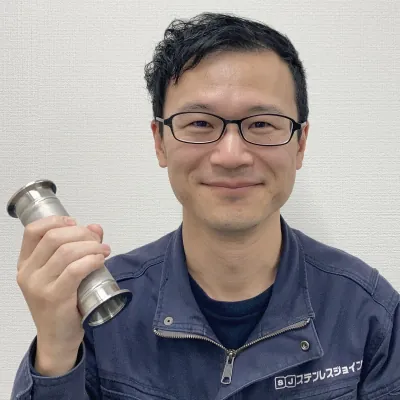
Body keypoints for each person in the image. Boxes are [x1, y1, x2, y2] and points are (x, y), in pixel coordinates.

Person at [10, 12, 400, 400]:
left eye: (261, 124)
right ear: (160, 142)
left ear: (300, 144)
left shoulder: (368, 313)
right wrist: (56, 349)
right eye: (200, 124)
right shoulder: (99, 314)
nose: (231, 156)